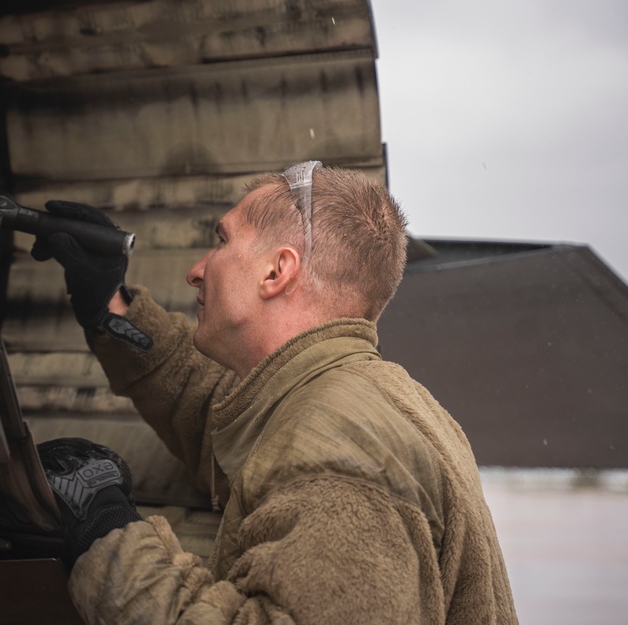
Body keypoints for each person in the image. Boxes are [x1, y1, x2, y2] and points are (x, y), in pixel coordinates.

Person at [31, 163, 518, 624]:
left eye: (221, 241)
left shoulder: (339, 455)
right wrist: (110, 303)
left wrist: (105, 529)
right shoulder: (354, 397)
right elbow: (224, 427)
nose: (197, 270)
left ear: (275, 272)